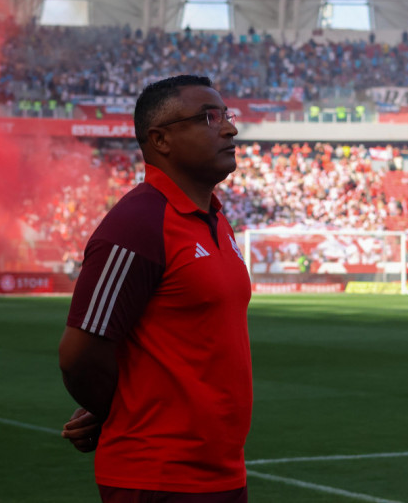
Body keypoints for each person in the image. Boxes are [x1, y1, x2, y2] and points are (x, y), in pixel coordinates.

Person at [58, 75, 252, 502]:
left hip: (221, 473)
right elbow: (79, 354)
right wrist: (118, 410)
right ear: (160, 139)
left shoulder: (215, 218)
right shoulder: (138, 224)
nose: (230, 128)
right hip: (157, 478)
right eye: (209, 117)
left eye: (227, 115)